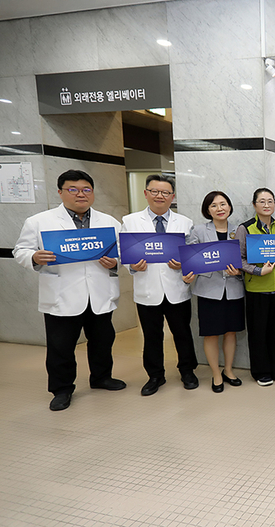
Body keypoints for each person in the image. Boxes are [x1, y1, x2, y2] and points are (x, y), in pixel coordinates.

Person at [13, 169, 126, 411]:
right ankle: (62, 389)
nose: (80, 194)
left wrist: (115, 262)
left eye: (86, 190)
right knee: (61, 346)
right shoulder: (39, 221)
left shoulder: (109, 222)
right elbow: (20, 250)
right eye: (72, 189)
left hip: (99, 292)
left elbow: (123, 252)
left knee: (103, 340)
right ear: (60, 192)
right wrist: (34, 256)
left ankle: (101, 377)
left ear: (92, 193)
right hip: (62, 294)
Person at [121, 174, 198, 396]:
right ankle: (155, 375)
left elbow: (190, 254)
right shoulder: (130, 221)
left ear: (172, 196)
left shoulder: (185, 222)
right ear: (146, 193)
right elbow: (123, 252)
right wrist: (132, 266)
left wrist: (184, 264)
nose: (159, 196)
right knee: (151, 336)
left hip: (177, 289)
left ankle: (187, 371)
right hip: (147, 289)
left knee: (182, 333)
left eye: (165, 192)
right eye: (154, 191)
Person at [183, 191, 244, 393]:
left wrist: (239, 272)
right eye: (214, 205)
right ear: (207, 210)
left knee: (231, 332)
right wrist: (188, 274)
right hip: (209, 290)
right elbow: (191, 259)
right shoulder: (199, 230)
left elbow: (245, 259)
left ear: (229, 206)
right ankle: (216, 374)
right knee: (211, 334)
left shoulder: (239, 230)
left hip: (233, 289)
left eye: (223, 204)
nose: (220, 209)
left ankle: (228, 370)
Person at [236, 188, 275, 386]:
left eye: (270, 201)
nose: (267, 205)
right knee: (258, 332)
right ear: (254, 205)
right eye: (262, 201)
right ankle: (261, 371)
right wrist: (258, 271)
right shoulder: (246, 228)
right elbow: (238, 259)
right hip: (256, 289)